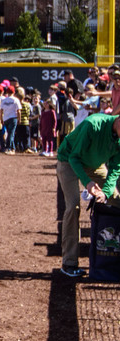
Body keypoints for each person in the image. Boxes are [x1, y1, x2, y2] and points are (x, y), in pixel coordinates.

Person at [56, 112, 120, 278]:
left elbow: (115, 167)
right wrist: (89, 183)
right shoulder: (93, 124)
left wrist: (105, 193)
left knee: (116, 199)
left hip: (95, 164)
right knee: (73, 206)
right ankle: (69, 263)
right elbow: (74, 157)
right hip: (68, 160)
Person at [0, 86, 20, 154]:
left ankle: (12, 148)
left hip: (6, 118)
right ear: (14, 92)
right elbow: (18, 111)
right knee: (11, 134)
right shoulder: (16, 100)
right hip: (13, 118)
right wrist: (19, 119)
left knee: (10, 133)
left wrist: (1, 119)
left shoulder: (4, 100)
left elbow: (1, 111)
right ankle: (8, 148)